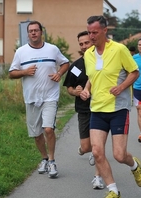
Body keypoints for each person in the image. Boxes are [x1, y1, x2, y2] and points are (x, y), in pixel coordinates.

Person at [80, 15, 141, 198]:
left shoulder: (119, 49)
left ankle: (134, 165)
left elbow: (134, 72)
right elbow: (93, 76)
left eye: (94, 32)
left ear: (104, 31)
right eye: (89, 32)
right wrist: (86, 89)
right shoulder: (88, 54)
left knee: (119, 155)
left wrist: (122, 87)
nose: (91, 36)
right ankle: (113, 192)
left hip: (118, 108)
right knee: (97, 151)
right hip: (97, 108)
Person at [9, 21, 69, 178]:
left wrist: (59, 74)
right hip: (31, 98)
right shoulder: (21, 52)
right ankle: (43, 158)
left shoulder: (52, 49)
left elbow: (65, 63)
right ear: (28, 34)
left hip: (50, 95)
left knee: (48, 129)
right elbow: (11, 73)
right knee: (36, 134)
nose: (33, 33)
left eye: (36, 30)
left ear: (41, 32)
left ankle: (52, 161)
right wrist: (24, 72)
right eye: (31, 31)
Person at [63, 31, 103, 189]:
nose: (84, 46)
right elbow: (69, 88)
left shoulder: (102, 62)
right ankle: (83, 150)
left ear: (93, 42)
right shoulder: (76, 66)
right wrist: (76, 92)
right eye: (81, 44)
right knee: (87, 147)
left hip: (100, 108)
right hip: (84, 109)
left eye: (87, 42)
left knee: (97, 147)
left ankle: (98, 177)